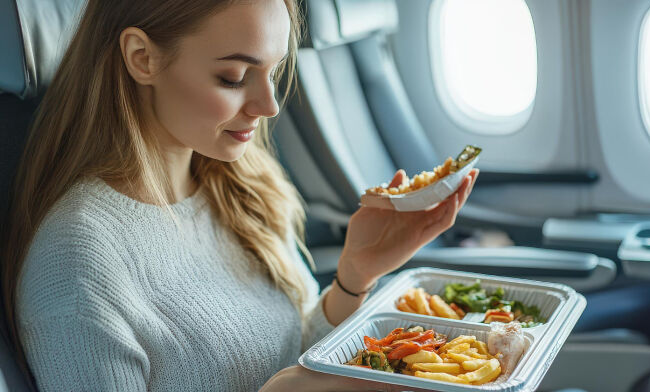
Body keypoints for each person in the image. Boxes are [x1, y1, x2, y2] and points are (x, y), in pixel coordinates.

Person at [0, 0, 478, 390]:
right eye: (233, 78)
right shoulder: (76, 261)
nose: (269, 105)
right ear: (141, 58)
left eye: (273, 71)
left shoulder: (242, 186)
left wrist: (355, 276)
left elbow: (296, 344)